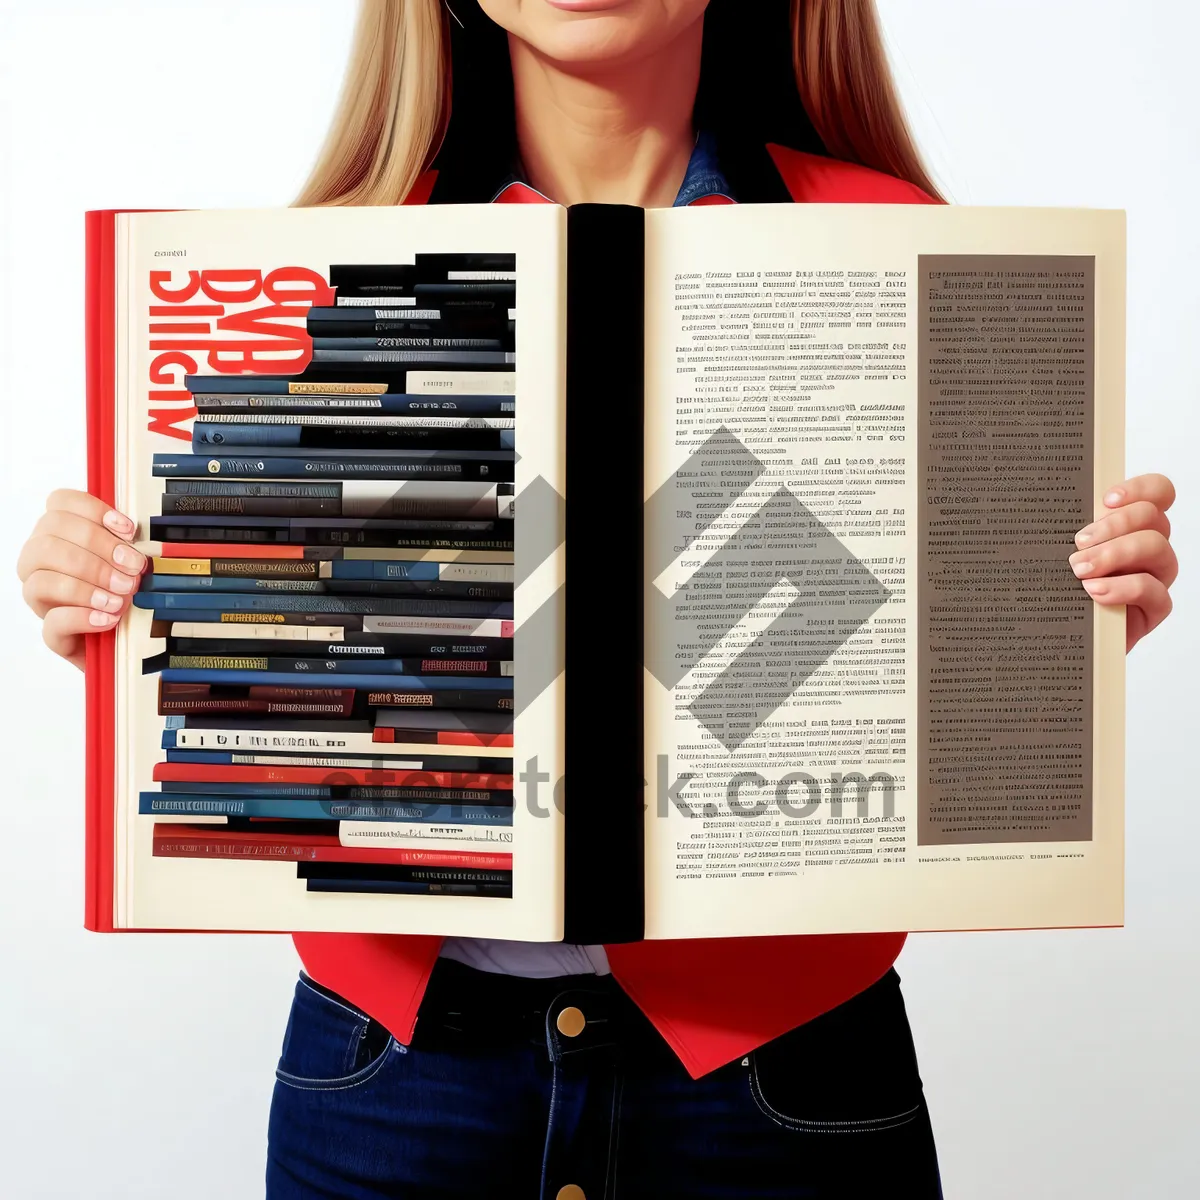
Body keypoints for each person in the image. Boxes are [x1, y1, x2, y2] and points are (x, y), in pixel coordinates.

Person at [17, 1, 1178, 1196]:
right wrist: (124, 602)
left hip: (782, 1071)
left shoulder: (897, 239)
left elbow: (948, 678)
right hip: (398, 1066)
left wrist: (1067, 623)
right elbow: (280, 674)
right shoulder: (323, 261)